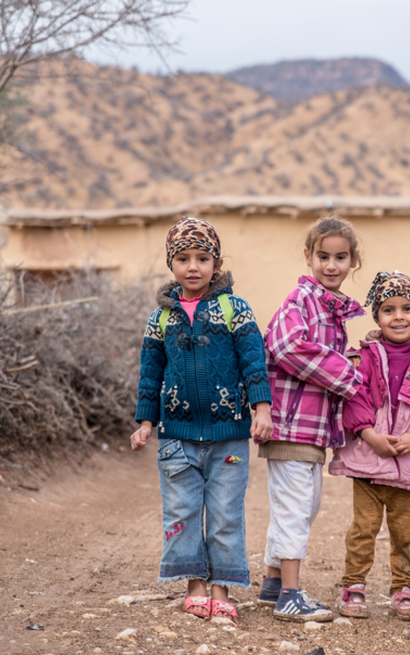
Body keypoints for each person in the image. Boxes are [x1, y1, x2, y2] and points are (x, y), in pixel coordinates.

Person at [131, 217, 272, 627]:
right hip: (177, 437)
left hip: (228, 436)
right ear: (171, 264)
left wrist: (261, 408)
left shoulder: (235, 309)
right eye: (183, 259)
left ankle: (221, 589)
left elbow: (253, 363)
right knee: (182, 510)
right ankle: (194, 585)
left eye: (203, 258)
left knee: (226, 513)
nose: (193, 266)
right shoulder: (161, 318)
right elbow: (149, 373)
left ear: (217, 262)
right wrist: (145, 422)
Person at [329, 271, 410, 621]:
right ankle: (353, 586)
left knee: (405, 535)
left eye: (406, 308)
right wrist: (369, 435)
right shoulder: (366, 357)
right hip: (369, 464)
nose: (398, 316)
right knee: (363, 530)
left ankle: (404, 589)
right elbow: (353, 394)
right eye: (388, 310)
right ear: (377, 316)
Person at [256, 215, 365, 622]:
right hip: (291, 424)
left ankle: (271, 582)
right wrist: (350, 375)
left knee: (302, 506)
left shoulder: (331, 310)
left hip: (312, 430)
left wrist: (351, 357)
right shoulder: (300, 301)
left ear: (353, 260)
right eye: (323, 256)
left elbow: (321, 356)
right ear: (308, 256)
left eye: (341, 257)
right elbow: (288, 347)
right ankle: (290, 594)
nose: (332, 265)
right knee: (295, 508)